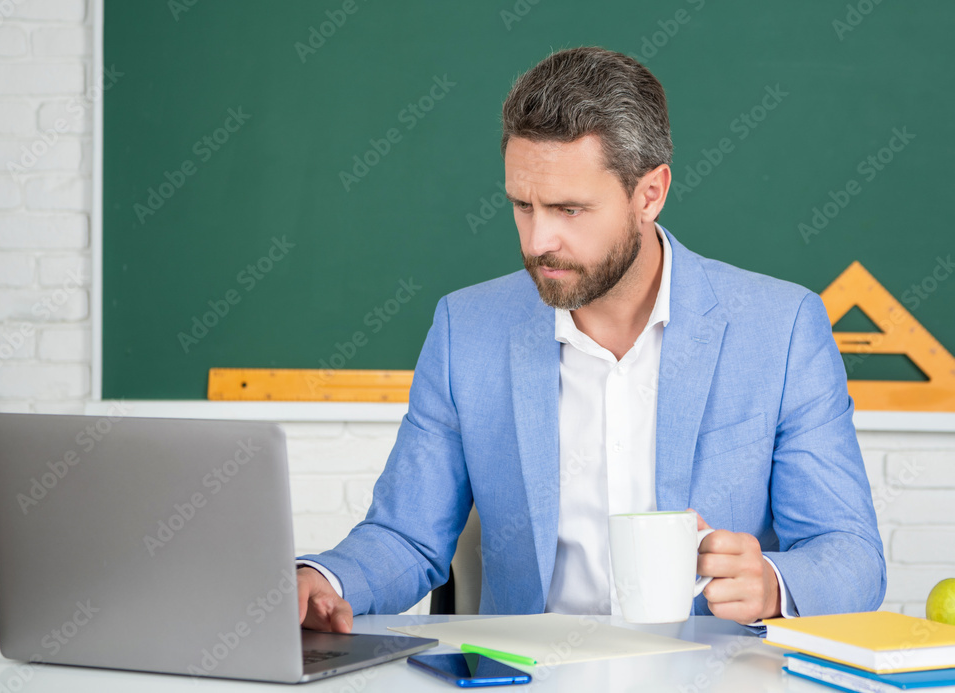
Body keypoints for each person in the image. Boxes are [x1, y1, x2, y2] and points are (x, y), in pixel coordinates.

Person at [296, 47, 886, 633]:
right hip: (526, 674)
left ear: (649, 194)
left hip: (712, 672)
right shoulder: (464, 331)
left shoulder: (780, 330)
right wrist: (322, 580)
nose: (537, 241)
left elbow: (850, 554)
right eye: (522, 207)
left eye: (569, 210)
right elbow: (405, 536)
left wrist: (773, 584)